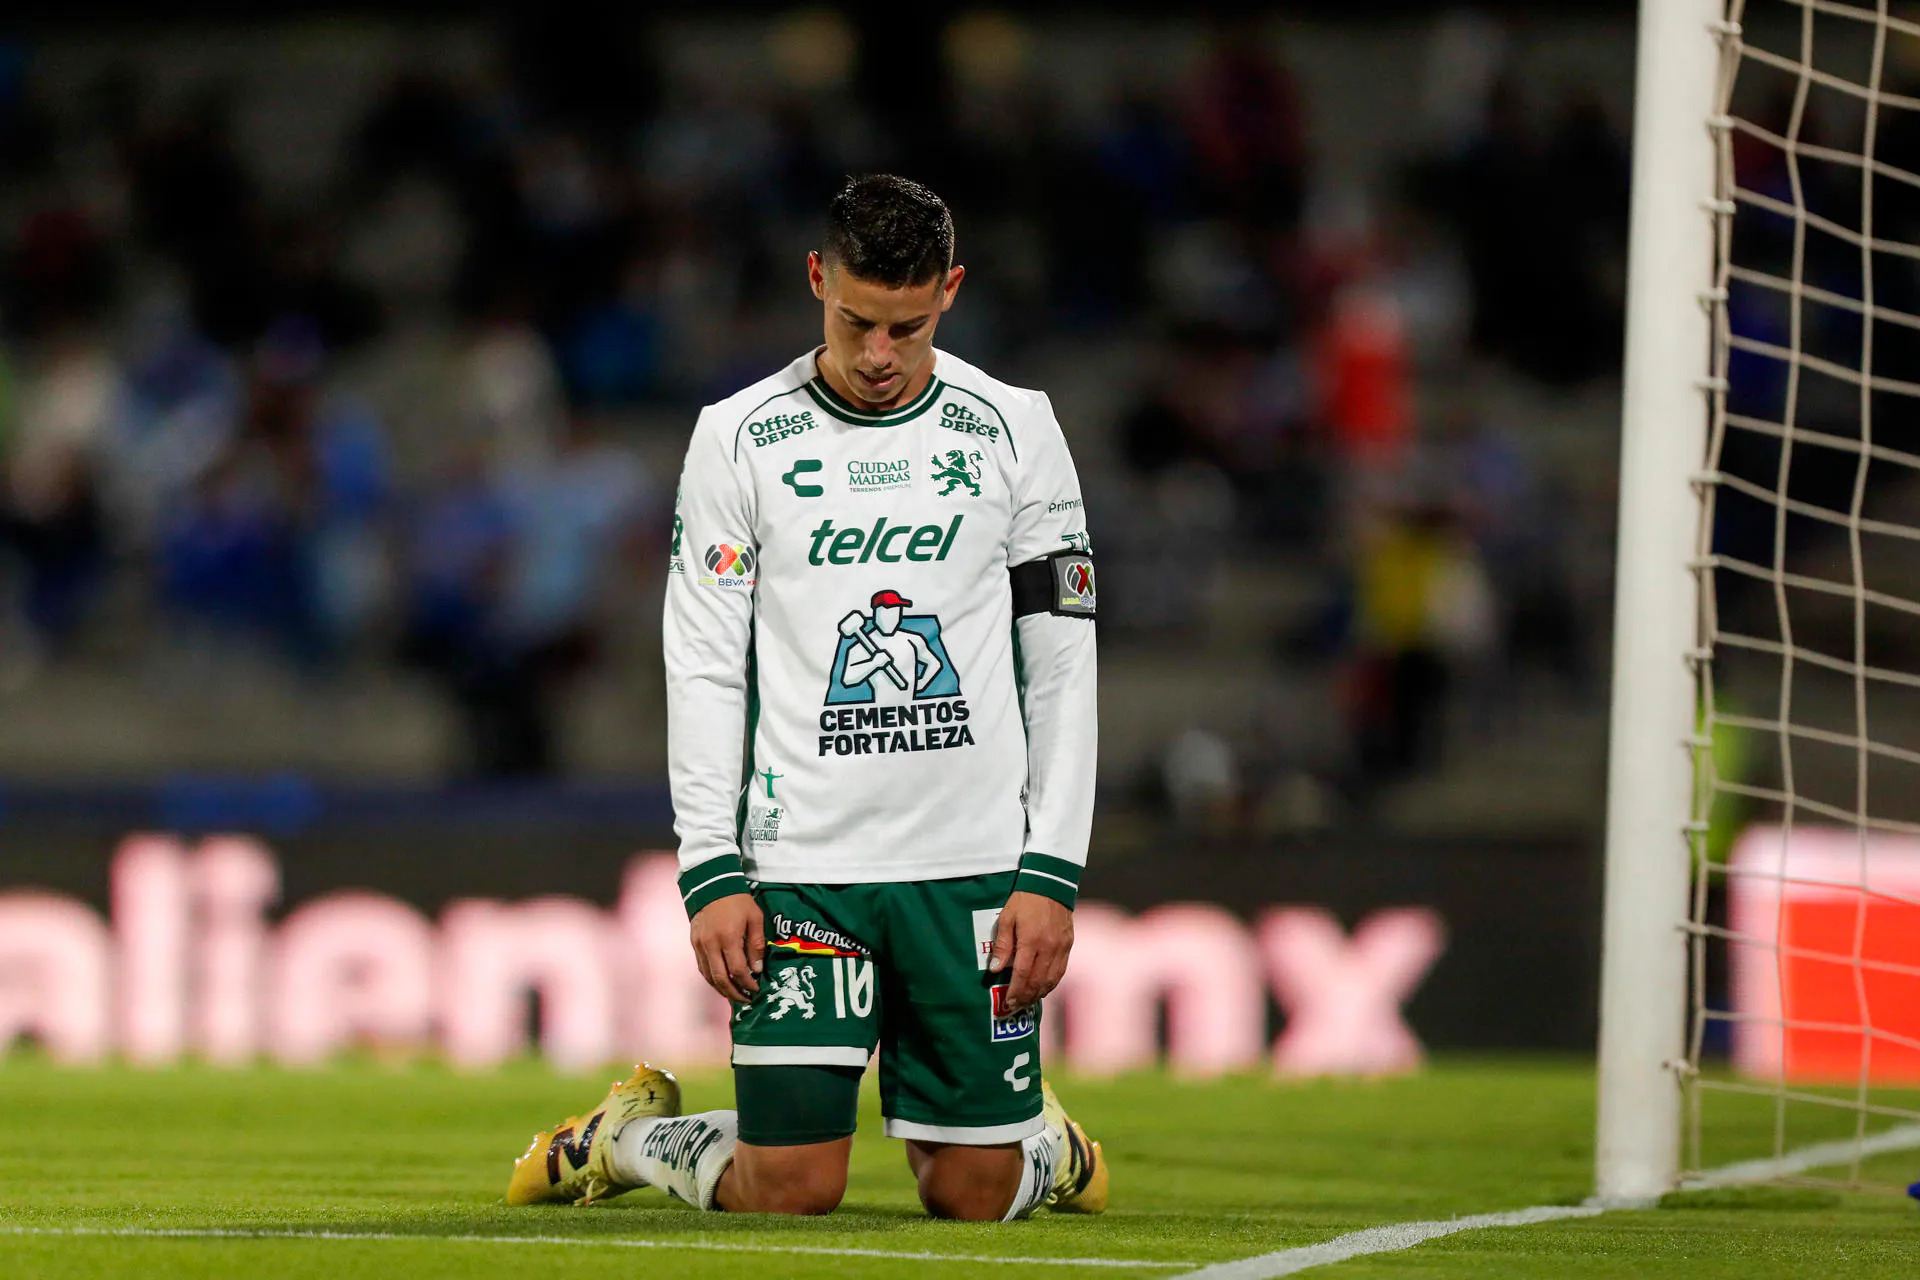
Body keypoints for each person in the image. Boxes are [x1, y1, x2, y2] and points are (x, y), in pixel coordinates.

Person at [505, 174, 1105, 1221]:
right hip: (805, 866)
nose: (880, 355)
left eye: (908, 328)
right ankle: (634, 1135)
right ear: (817, 278)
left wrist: (1051, 868)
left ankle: (1034, 1142)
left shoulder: (1016, 427)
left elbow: (1060, 660)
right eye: (858, 321)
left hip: (967, 863)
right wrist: (710, 866)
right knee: (792, 1188)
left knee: (971, 1193)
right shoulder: (738, 435)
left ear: (952, 291)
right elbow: (700, 659)